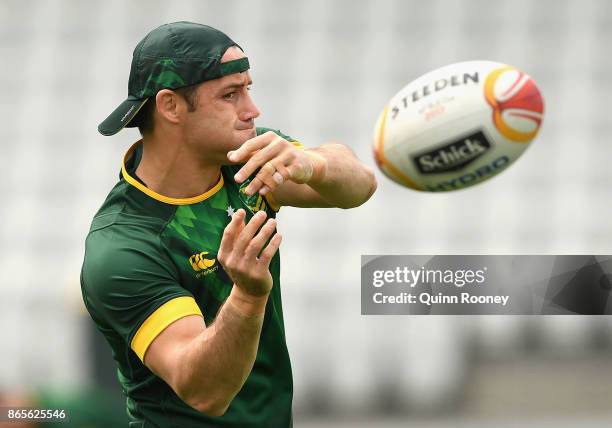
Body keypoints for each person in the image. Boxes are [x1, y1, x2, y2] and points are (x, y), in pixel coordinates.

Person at [81, 21, 376, 427]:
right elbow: (205, 391)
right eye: (230, 94)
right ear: (170, 106)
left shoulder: (245, 160)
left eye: (248, 89)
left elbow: (359, 187)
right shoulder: (123, 246)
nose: (252, 111)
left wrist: (313, 164)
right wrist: (249, 296)